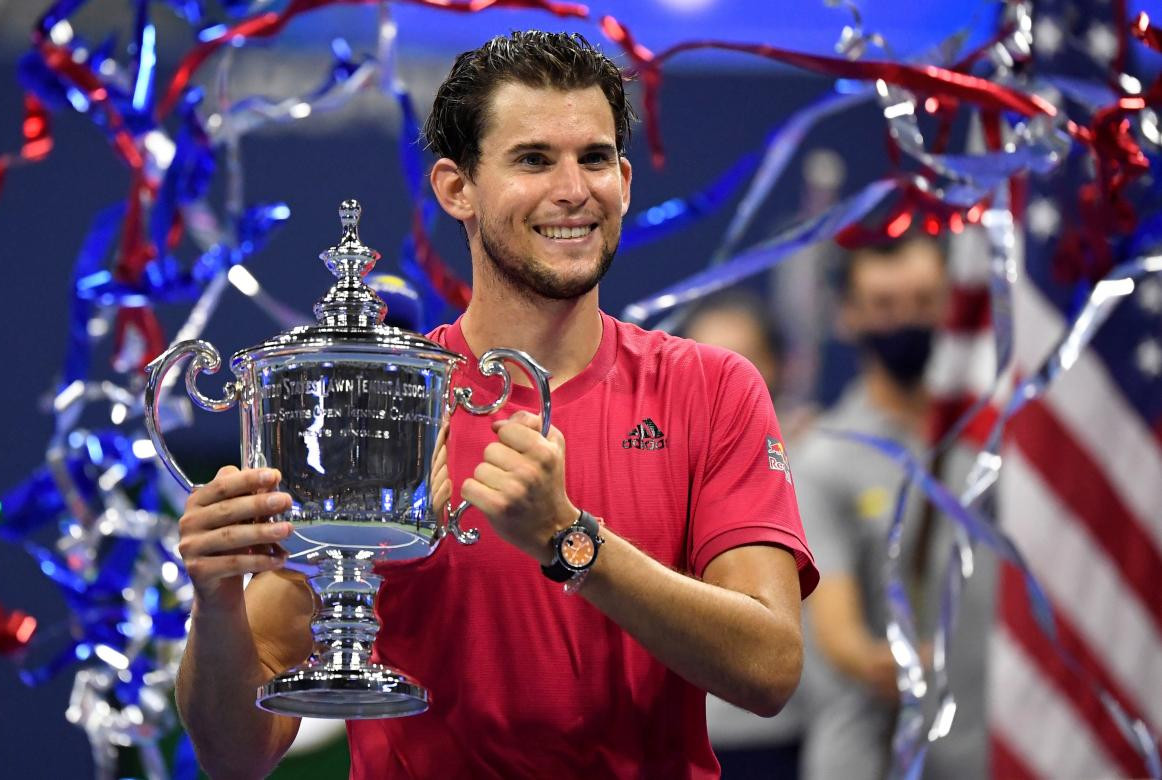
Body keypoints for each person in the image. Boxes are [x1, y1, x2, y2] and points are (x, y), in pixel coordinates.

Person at [173, 31, 817, 779]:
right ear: (457, 189)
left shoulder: (711, 389)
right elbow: (235, 755)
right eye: (534, 159)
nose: (574, 189)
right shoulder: (378, 401)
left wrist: (570, 541)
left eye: (596, 158)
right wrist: (216, 599)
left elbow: (770, 668)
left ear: (627, 181)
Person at [792, 234, 993, 780]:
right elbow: (834, 622)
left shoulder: (991, 437)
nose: (906, 319)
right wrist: (874, 659)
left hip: (985, 755)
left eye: (924, 302)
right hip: (872, 759)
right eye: (884, 305)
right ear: (849, 316)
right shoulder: (823, 458)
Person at [679, 291, 809, 779]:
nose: (722, 383)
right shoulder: (651, 463)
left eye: (741, 363)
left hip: (783, 735)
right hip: (687, 737)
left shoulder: (812, 462)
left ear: (776, 367)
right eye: (708, 362)